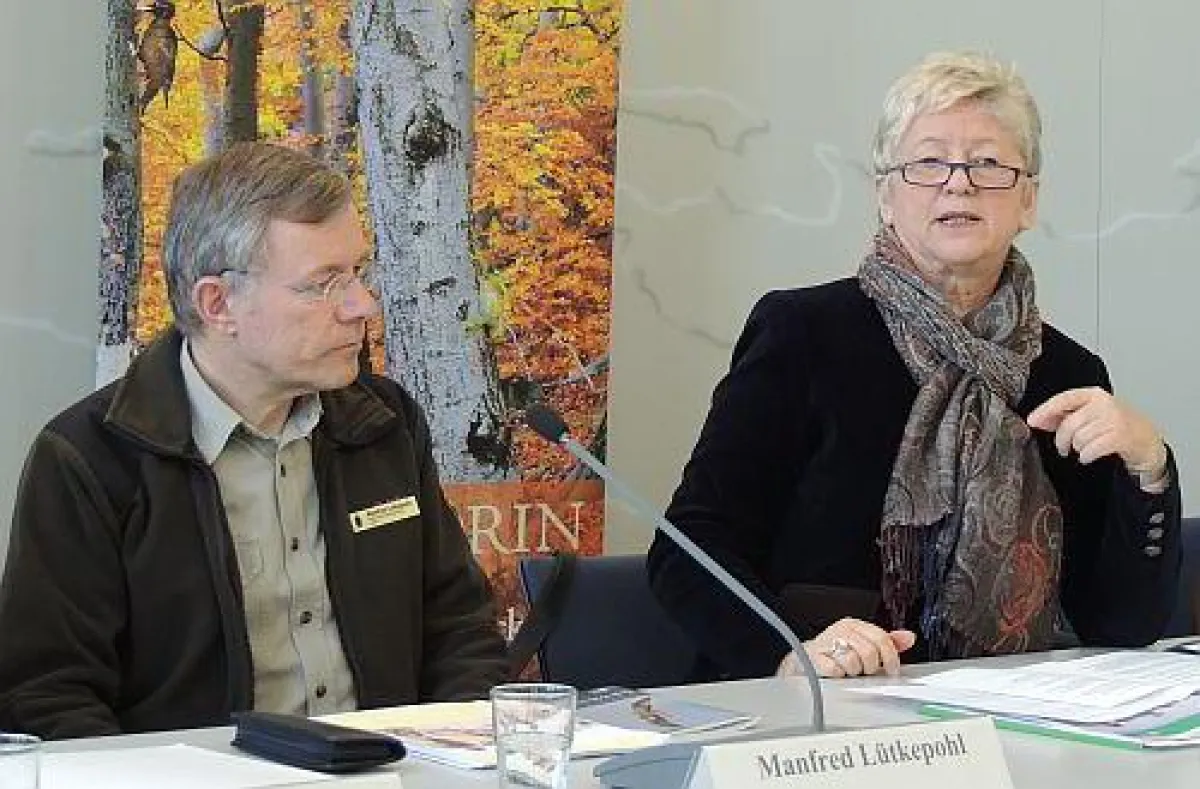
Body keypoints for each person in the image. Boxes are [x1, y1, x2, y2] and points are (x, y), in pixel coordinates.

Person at [647, 51, 1183, 682]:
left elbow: (1121, 624)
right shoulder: (803, 333)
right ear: (886, 195)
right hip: (820, 718)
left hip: (1005, 718)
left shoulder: (1066, 372)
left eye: (988, 163)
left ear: (1028, 201)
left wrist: (1148, 467)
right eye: (929, 162)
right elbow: (688, 549)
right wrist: (792, 652)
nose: (959, 183)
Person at [0, 142, 508, 738]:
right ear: (218, 304)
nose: (361, 305)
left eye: (358, 273)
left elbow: (459, 628)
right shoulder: (90, 457)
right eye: (322, 284)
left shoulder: (384, 423)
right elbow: (48, 695)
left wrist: (455, 760)